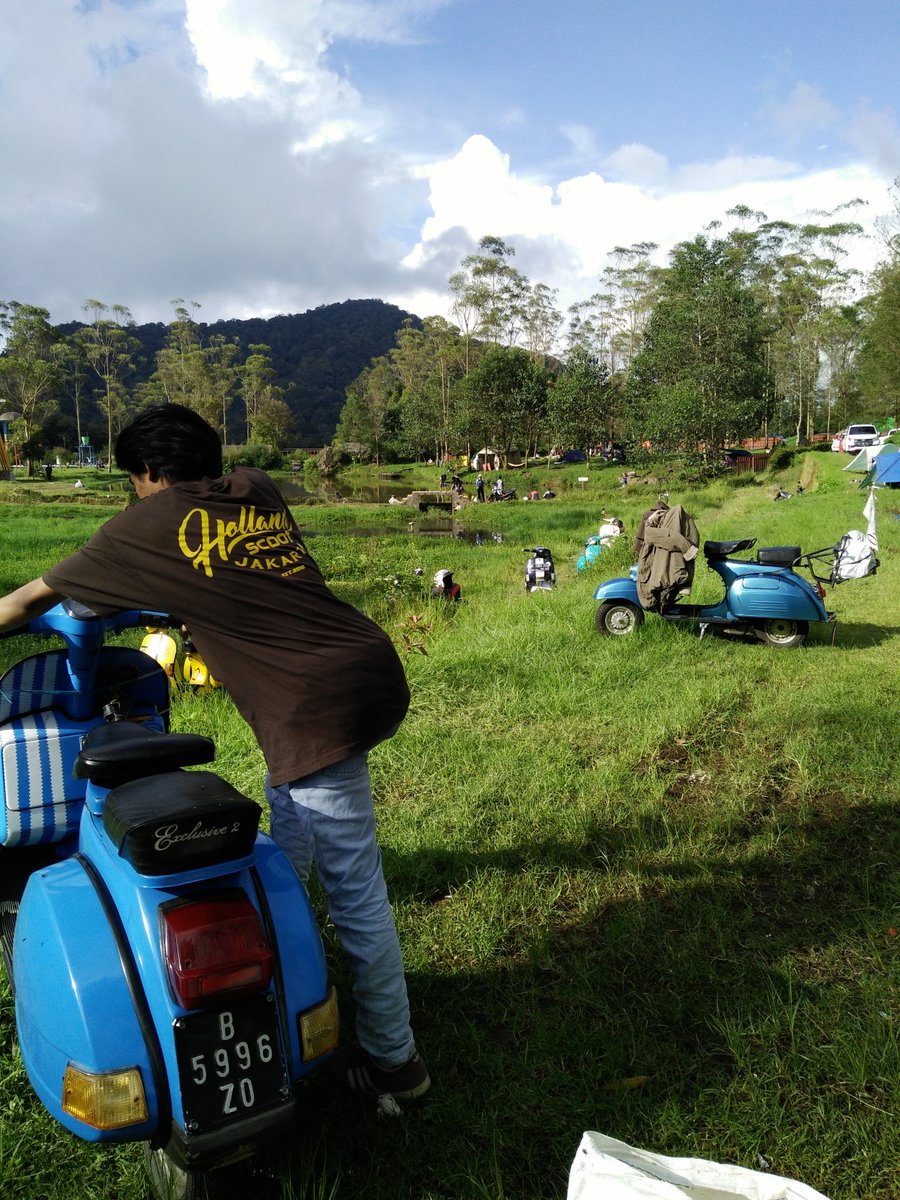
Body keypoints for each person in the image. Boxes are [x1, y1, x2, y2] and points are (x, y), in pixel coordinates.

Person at [0, 403, 430, 1102]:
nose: (133, 493)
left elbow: (26, 601)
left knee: (357, 895)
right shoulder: (256, 486)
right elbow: (231, 572)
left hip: (311, 702)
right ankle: (279, 948)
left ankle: (395, 1062)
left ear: (147, 471)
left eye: (132, 480)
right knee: (289, 824)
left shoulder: (142, 527)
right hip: (367, 665)